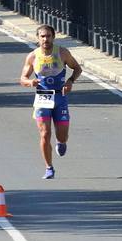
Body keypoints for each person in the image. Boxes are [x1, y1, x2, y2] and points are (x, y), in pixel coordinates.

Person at [19, 25, 82, 180]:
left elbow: (77, 68)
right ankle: (49, 167)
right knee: (45, 134)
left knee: (62, 136)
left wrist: (70, 81)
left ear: (53, 37)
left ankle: (61, 143)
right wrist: (30, 82)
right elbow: (22, 78)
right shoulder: (33, 57)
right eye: (42, 36)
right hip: (42, 98)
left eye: (48, 36)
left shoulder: (62, 53)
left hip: (60, 98)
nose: (45, 39)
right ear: (38, 38)